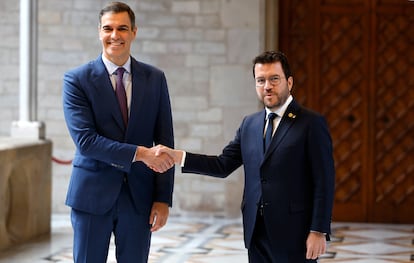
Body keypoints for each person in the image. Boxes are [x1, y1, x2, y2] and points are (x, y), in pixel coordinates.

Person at [157, 51, 335, 262]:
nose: (267, 86)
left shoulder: (311, 123)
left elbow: (324, 181)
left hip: (295, 234)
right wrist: (179, 156)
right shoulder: (249, 124)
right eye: (261, 80)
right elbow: (222, 165)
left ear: (289, 82)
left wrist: (318, 230)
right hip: (256, 233)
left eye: (274, 79)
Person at [62, 2, 175, 262]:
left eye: (122, 28)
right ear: (99, 32)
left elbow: (165, 141)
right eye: (108, 28)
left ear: (134, 32)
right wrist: (141, 153)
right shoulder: (76, 80)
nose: (115, 35)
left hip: (139, 198)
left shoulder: (155, 78)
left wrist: (162, 198)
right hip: (91, 196)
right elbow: (86, 142)